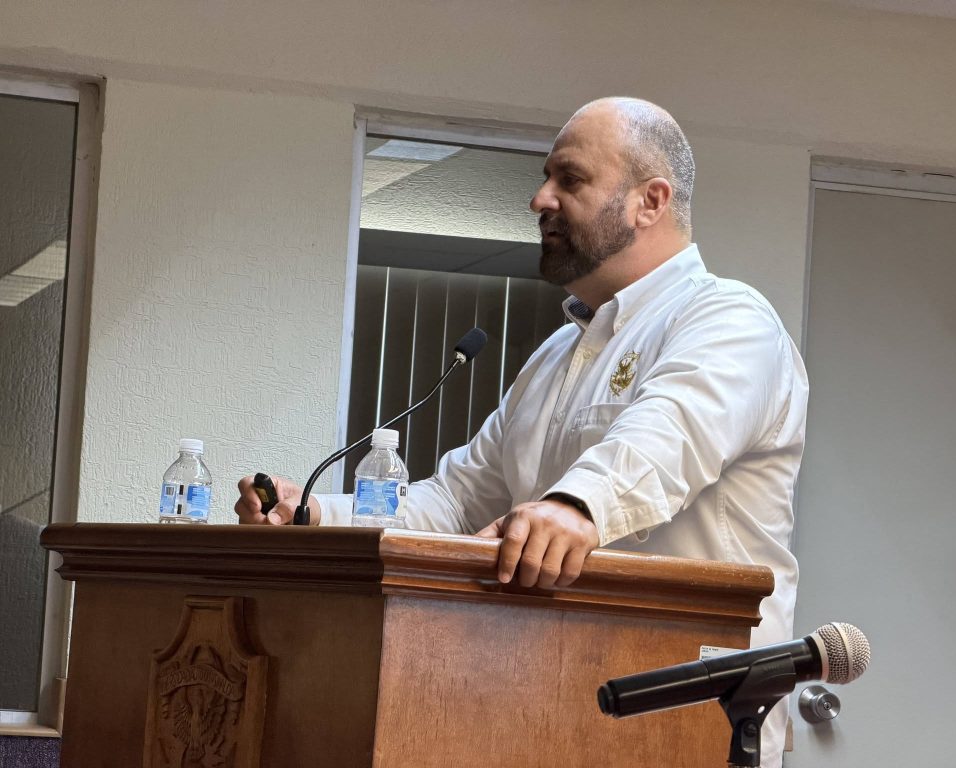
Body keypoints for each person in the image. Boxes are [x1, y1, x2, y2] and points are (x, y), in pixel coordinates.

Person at [236, 97, 808, 767]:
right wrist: (311, 515)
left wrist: (575, 507)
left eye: (570, 179)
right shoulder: (556, 356)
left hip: (689, 719)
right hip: (552, 703)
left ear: (650, 201)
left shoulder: (730, 319)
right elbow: (456, 502)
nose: (541, 199)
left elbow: (671, 436)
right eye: (546, 178)